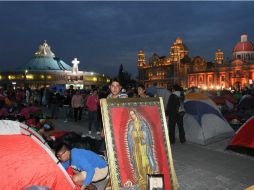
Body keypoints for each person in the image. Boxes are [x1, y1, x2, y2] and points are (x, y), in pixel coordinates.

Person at [127, 109, 157, 189]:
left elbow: (147, 133)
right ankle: (142, 182)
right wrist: (134, 135)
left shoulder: (142, 122)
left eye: (133, 114)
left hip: (144, 146)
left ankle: (152, 180)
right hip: (136, 147)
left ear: (136, 114)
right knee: (138, 164)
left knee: (146, 163)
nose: (132, 116)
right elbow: (129, 136)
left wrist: (138, 133)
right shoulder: (130, 124)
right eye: (131, 115)